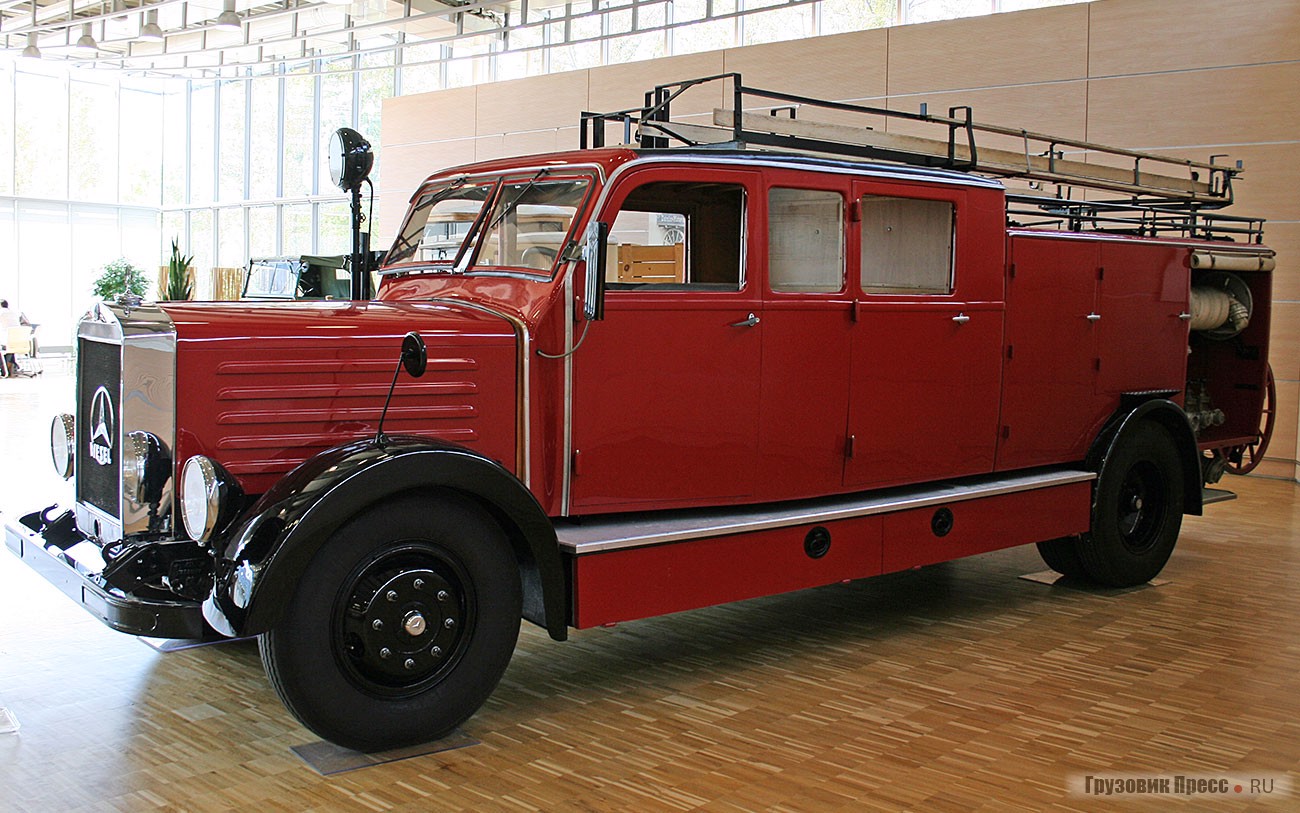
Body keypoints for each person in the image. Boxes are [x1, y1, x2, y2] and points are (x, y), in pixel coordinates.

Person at [1, 299, 22, 376]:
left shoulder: (1, 312)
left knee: (5, 346)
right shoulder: (14, 313)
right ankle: (9, 367)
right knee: (9, 346)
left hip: (8, 342)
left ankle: (5, 369)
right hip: (19, 342)